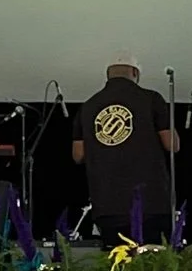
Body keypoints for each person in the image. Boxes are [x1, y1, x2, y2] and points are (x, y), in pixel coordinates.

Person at [71, 56, 178, 246]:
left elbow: (78, 155)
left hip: (106, 203)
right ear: (135, 73)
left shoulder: (88, 106)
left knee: (117, 263)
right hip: (150, 202)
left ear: (107, 76)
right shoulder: (151, 99)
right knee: (153, 265)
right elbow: (172, 145)